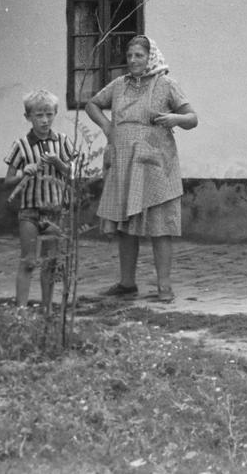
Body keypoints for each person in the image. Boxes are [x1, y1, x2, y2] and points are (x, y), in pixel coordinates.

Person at [85, 35, 198, 302]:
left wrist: (175, 118)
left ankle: (164, 286)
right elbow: (92, 104)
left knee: (160, 225)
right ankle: (127, 283)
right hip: (124, 163)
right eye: (130, 55)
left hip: (156, 164)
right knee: (126, 225)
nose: (134, 60)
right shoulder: (119, 85)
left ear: (151, 57)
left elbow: (193, 118)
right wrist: (107, 126)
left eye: (139, 55)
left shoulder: (166, 85)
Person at [2, 89, 79, 308]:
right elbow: (6, 182)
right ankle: (21, 311)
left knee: (50, 263)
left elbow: (73, 175)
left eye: (49, 115)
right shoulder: (21, 145)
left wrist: (59, 164)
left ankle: (47, 310)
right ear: (28, 117)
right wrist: (23, 172)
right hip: (29, 211)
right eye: (39, 115)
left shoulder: (63, 142)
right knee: (28, 261)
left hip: (55, 210)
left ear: (55, 114)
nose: (45, 120)